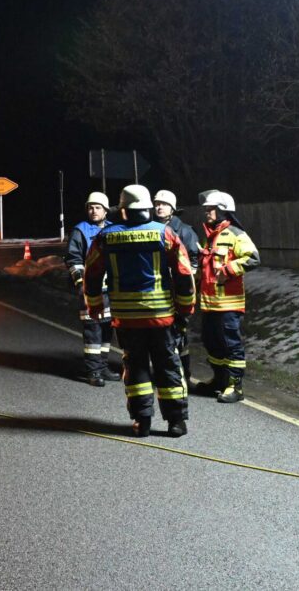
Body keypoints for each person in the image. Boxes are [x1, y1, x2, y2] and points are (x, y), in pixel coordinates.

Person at [84, 184, 194, 437]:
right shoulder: (164, 233)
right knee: (168, 365)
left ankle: (142, 422)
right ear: (148, 208)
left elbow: (92, 273)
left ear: (122, 209)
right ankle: (176, 422)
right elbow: (183, 273)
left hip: (126, 318)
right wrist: (185, 308)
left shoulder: (105, 237)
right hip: (161, 316)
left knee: (135, 368)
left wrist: (95, 303)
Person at [196, 190, 260, 403]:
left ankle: (235, 387)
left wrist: (228, 269)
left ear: (223, 210)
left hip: (228, 304)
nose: (207, 212)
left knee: (231, 344)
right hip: (210, 303)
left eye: (211, 208)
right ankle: (219, 381)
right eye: (206, 208)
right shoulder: (211, 235)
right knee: (211, 342)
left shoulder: (235, 233)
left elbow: (253, 258)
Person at [63, 191, 119, 386]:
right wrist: (81, 283)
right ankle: (93, 371)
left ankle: (103, 366)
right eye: (90, 208)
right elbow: (73, 259)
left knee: (107, 329)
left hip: (111, 290)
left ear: (105, 210)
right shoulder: (80, 231)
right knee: (93, 330)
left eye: (97, 208)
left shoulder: (113, 229)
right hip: (91, 290)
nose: (93, 211)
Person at [153, 189, 200, 385]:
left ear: (172, 208)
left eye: (164, 204)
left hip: (178, 290)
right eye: (157, 204)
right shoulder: (151, 228)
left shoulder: (185, 231)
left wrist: (185, 280)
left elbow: (194, 259)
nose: (159, 207)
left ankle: (183, 375)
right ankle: (163, 373)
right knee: (160, 333)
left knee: (179, 334)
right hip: (158, 291)